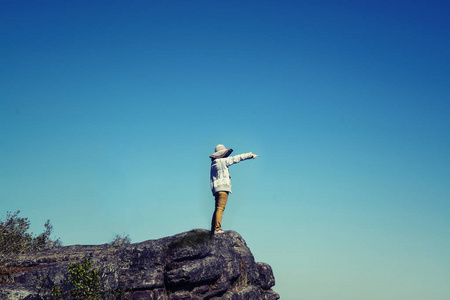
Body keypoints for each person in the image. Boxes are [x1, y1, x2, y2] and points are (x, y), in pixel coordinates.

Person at [209, 144, 259, 234]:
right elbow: (237, 158)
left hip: (216, 189)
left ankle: (214, 228)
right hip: (223, 188)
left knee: (217, 208)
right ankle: (217, 229)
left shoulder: (213, 163)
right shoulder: (223, 161)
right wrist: (250, 155)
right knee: (220, 208)